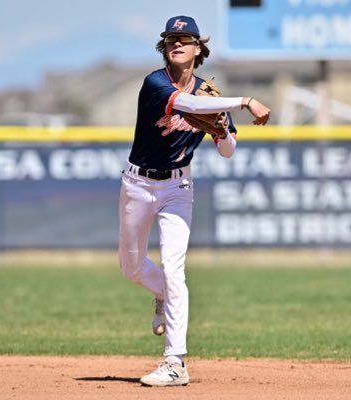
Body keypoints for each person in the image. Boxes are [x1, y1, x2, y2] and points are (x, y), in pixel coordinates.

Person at [118, 15, 270, 387]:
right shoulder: (155, 83)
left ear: (199, 48)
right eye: (171, 38)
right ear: (164, 47)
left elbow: (229, 152)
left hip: (177, 188)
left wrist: (221, 131)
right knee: (131, 267)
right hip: (137, 184)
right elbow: (182, 102)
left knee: (174, 268)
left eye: (185, 38)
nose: (177, 43)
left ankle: (175, 362)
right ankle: (161, 296)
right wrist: (247, 101)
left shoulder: (210, 94)